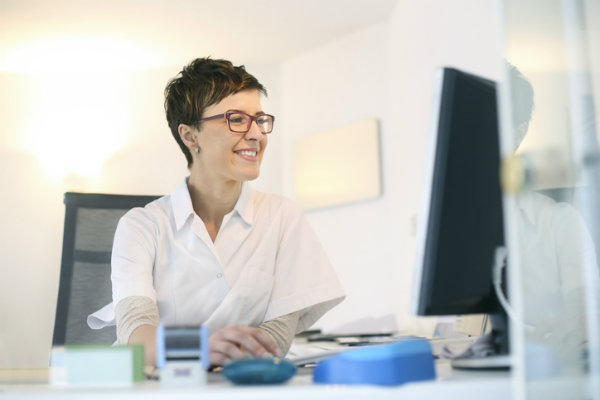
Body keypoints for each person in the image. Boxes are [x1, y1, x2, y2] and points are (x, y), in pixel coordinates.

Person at [88, 58, 345, 367]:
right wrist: (200, 348)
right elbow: (135, 333)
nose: (257, 135)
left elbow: (276, 336)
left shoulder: (282, 217)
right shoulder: (142, 226)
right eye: (236, 120)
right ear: (190, 136)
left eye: (260, 120)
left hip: (238, 384)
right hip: (154, 387)